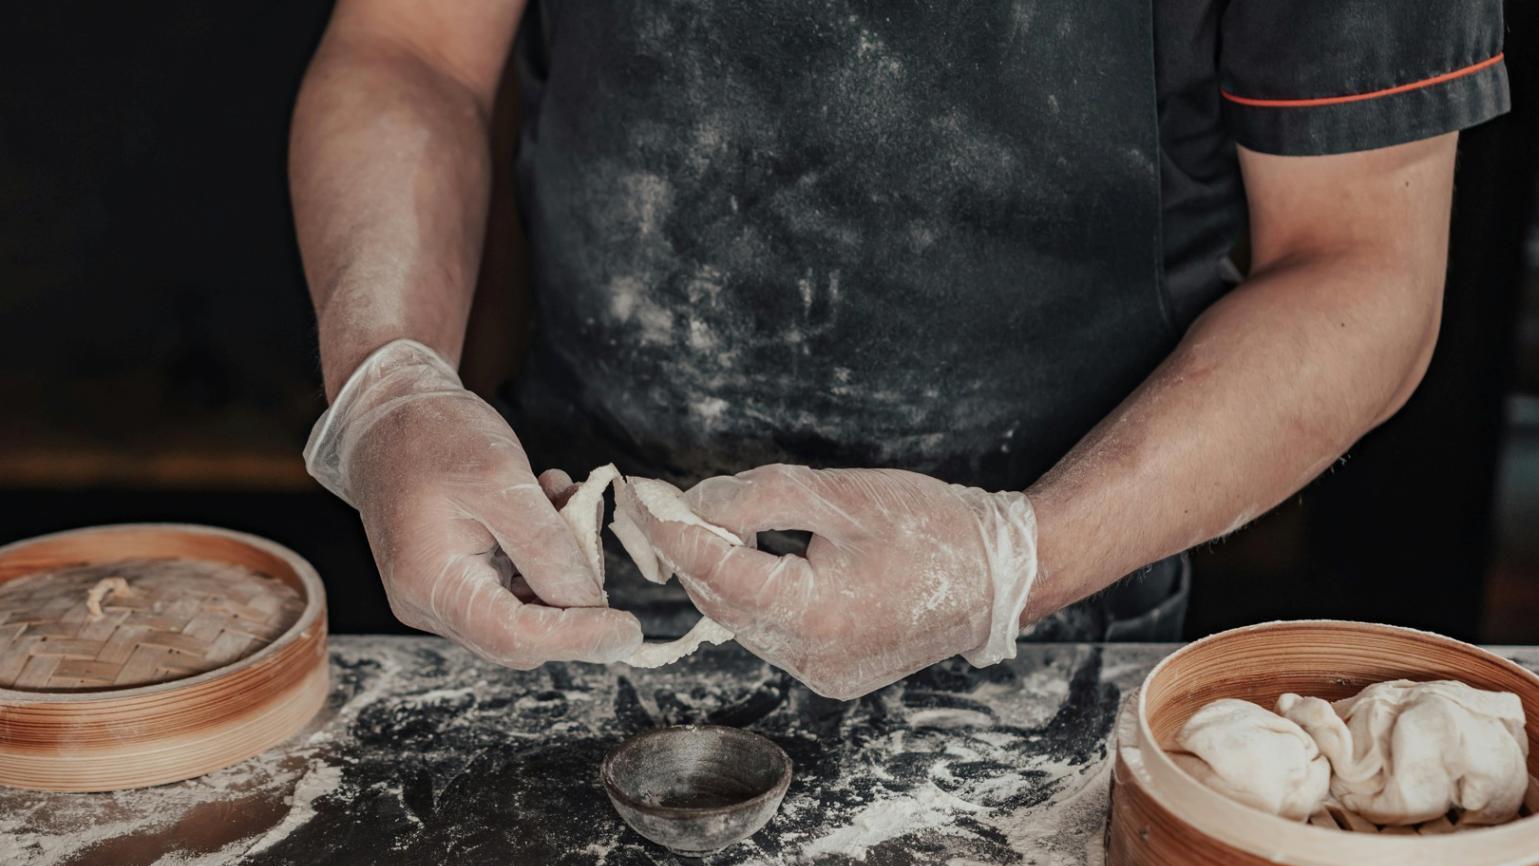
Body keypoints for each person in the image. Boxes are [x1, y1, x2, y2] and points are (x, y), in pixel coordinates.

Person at [293, 0, 1508, 699]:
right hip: (568, 578)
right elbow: (411, 51)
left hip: (1053, 627)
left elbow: (1364, 264)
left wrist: (1009, 559)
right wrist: (389, 383)